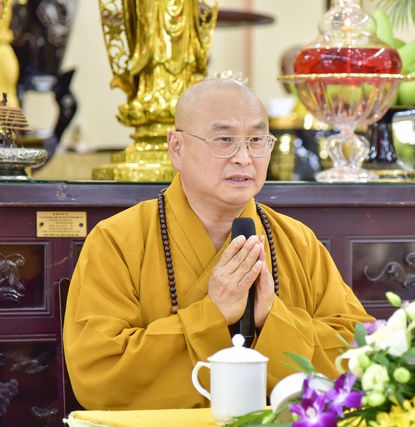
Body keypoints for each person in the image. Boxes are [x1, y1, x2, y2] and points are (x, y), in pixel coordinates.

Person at [63, 77, 374, 410]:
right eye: (224, 139)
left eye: (256, 140)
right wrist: (211, 315)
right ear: (176, 148)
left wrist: (272, 317)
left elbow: (361, 357)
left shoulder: (298, 242)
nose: (243, 157)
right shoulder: (116, 241)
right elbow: (99, 374)